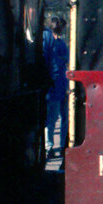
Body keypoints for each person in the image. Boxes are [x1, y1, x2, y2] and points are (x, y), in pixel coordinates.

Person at [43, 15, 69, 157]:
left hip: (56, 85)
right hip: (58, 84)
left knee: (52, 119)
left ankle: (50, 146)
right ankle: (52, 146)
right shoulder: (58, 43)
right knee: (56, 118)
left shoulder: (49, 40)